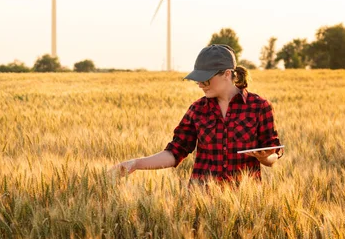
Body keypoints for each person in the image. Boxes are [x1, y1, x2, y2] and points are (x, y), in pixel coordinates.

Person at [110, 44, 283, 184]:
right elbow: (175, 152)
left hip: (246, 203)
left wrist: (267, 158)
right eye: (198, 80)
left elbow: (272, 154)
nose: (200, 84)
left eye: (205, 79)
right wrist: (136, 164)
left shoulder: (259, 107)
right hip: (200, 203)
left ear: (227, 74)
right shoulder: (197, 110)